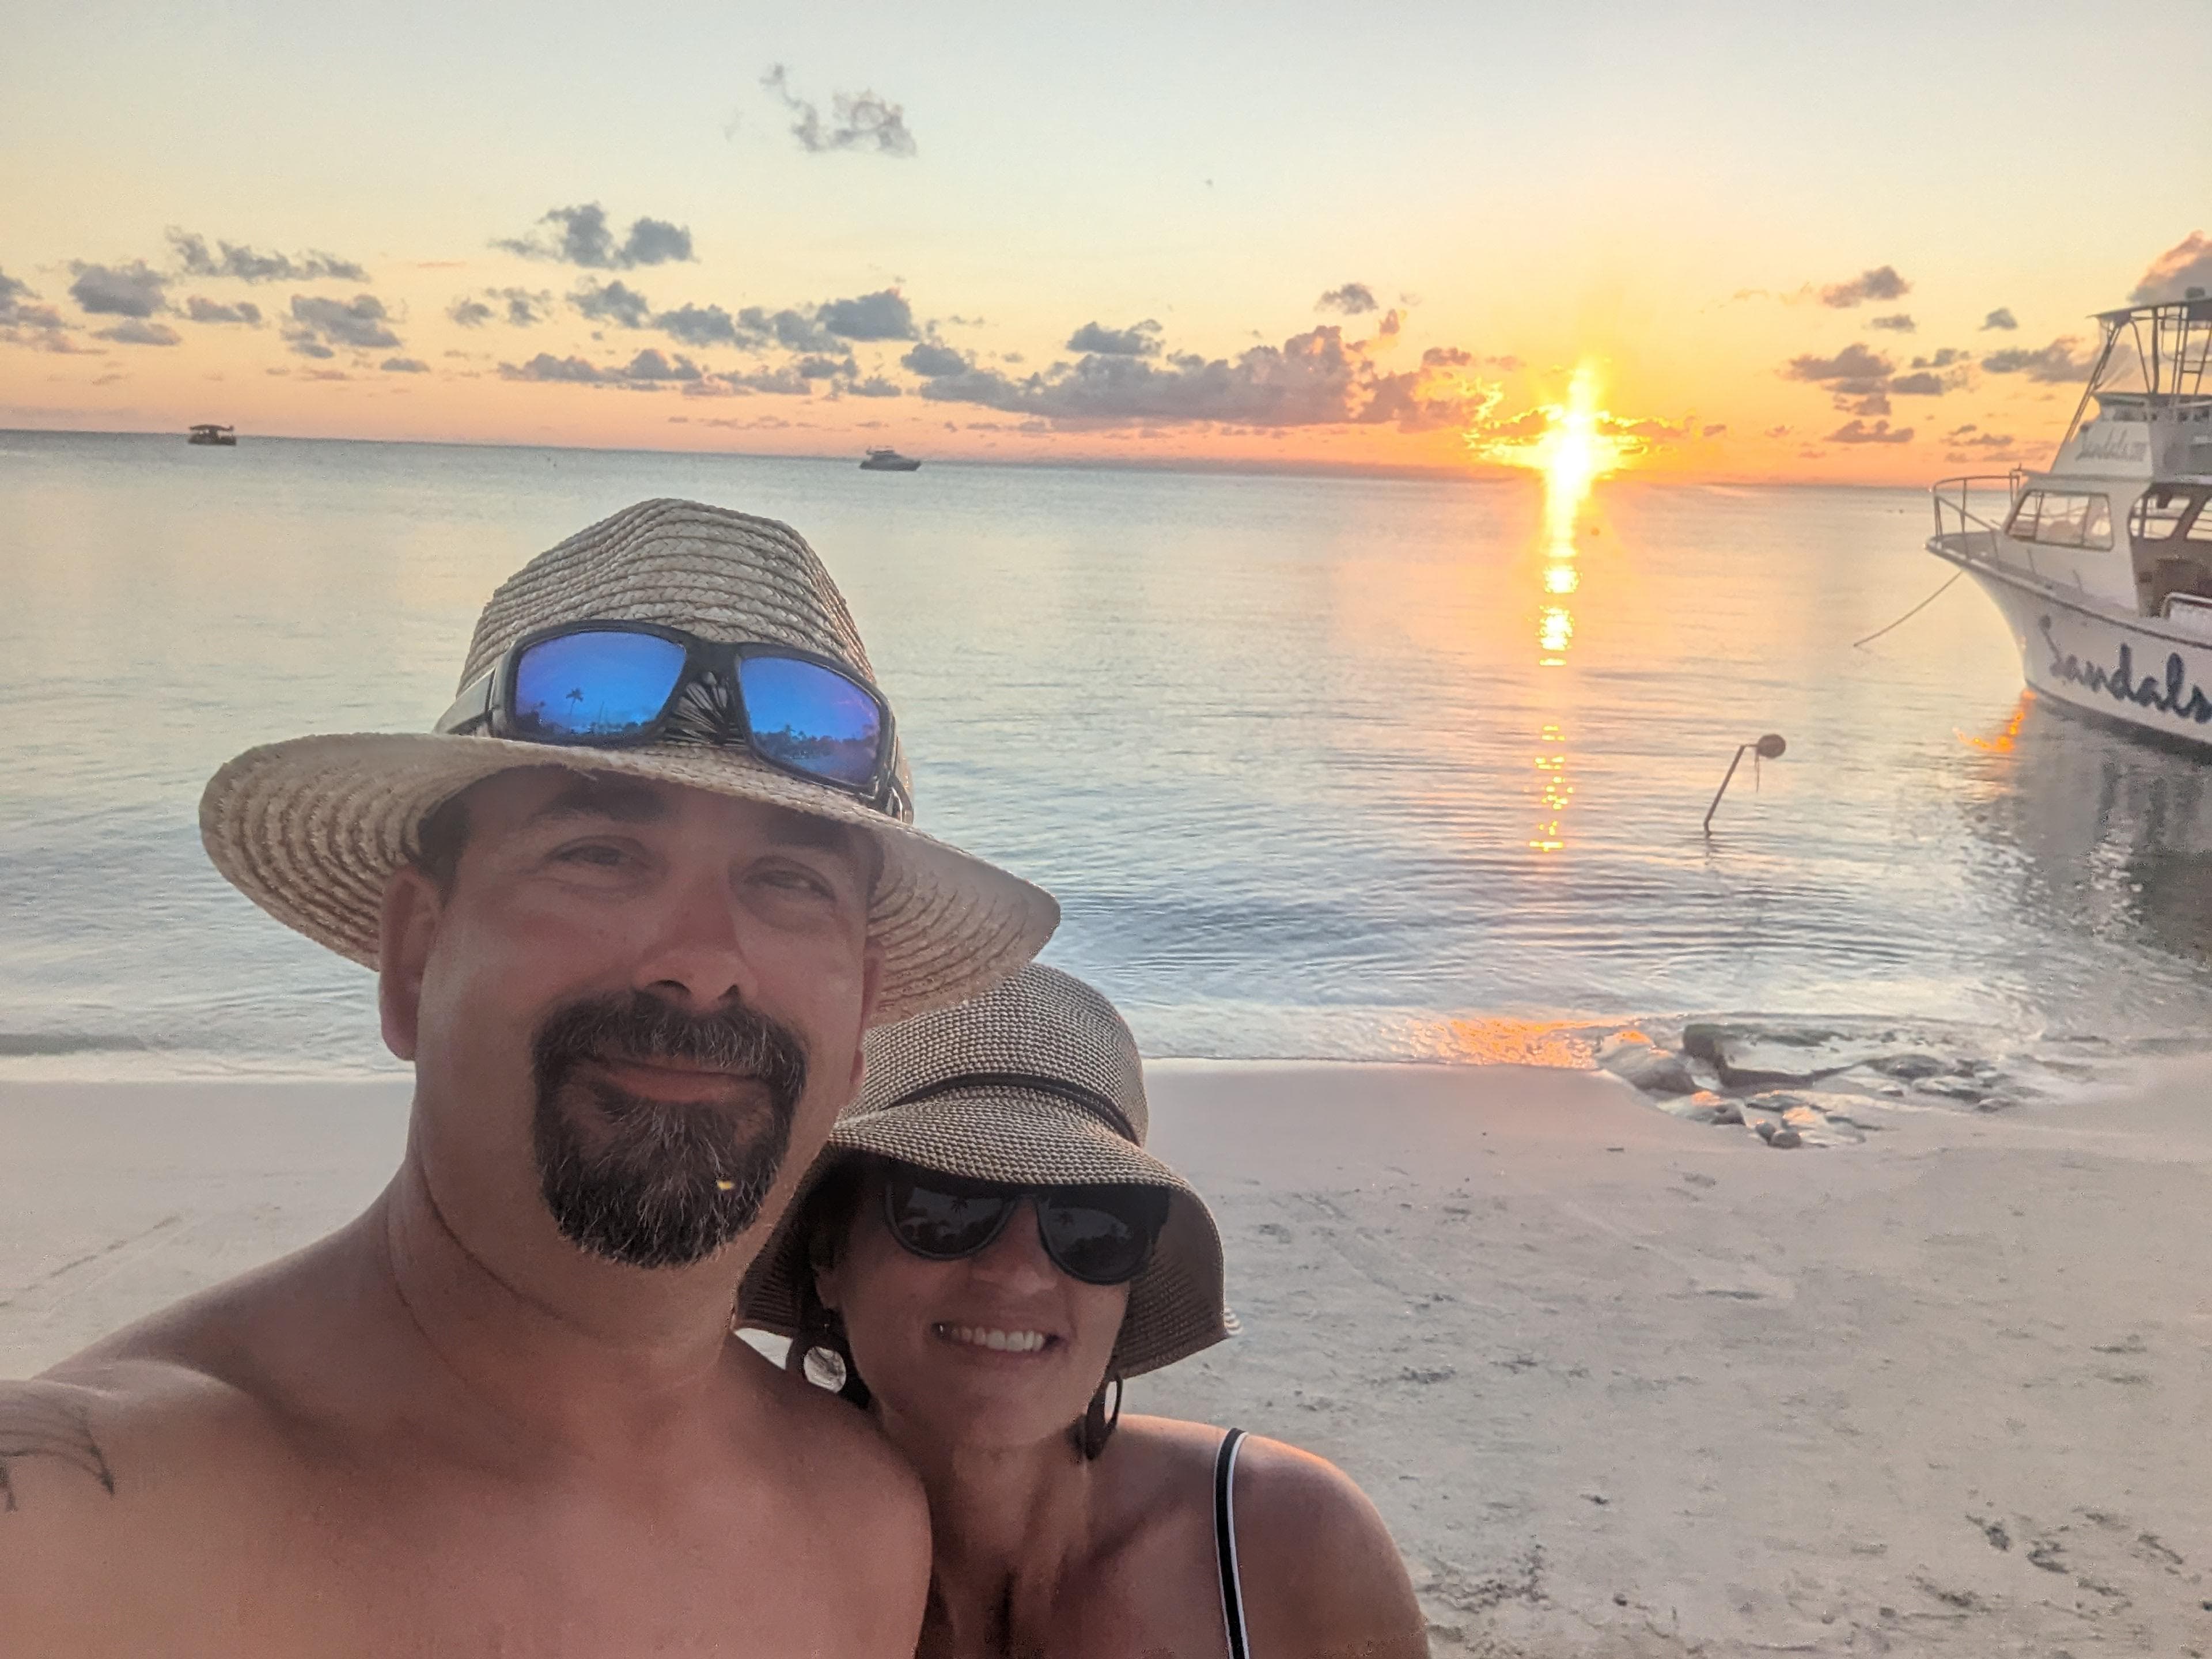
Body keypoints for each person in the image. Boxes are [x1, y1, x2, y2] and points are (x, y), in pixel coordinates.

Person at [0, 498, 1058, 1656]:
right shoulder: (84, 1535)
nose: (702, 964)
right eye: (597, 855)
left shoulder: (862, 1519)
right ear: (416, 955)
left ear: (859, 1024)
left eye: (790, 881)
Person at [741, 963, 1429, 1659]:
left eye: (1091, 1221)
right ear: (830, 1254)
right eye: (947, 1202)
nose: (1017, 1270)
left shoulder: (1285, 1541)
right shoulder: (722, 1569)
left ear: (1129, 1284)